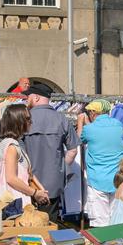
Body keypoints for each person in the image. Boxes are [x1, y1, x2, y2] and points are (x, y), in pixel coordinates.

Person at [22, 83, 80, 223]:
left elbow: (17, 151)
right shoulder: (62, 119)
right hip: (53, 182)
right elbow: (73, 150)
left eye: (27, 97)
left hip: (27, 181)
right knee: (49, 222)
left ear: (35, 97)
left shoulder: (24, 118)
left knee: (26, 221)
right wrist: (61, 167)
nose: (25, 100)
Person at [0, 104, 50, 208]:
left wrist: (40, 190)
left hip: (15, 201)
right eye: (27, 118)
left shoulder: (16, 143)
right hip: (13, 203)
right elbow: (11, 178)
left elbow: (27, 171)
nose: (30, 121)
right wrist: (34, 193)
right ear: (17, 121)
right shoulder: (11, 146)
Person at [79, 100, 123, 227]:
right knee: (116, 217)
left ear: (93, 113)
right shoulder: (118, 124)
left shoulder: (88, 129)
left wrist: (80, 123)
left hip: (97, 178)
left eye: (89, 112)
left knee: (100, 221)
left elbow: (79, 140)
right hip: (117, 177)